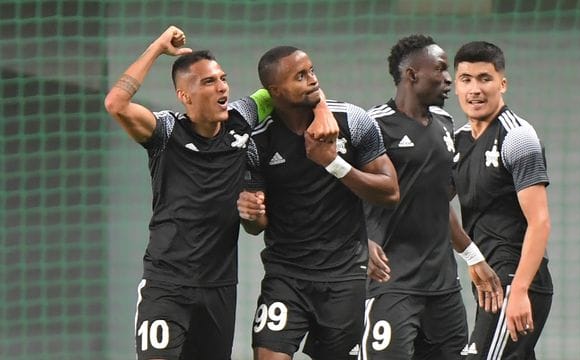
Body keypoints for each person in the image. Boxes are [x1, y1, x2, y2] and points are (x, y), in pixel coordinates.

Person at [104, 26, 336, 360]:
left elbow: (295, 83)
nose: (222, 86)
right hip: (167, 284)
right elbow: (115, 102)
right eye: (209, 82)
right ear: (185, 96)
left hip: (219, 287)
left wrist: (324, 110)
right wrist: (157, 48)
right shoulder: (166, 132)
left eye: (222, 78)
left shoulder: (241, 119)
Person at [237, 45, 400, 360]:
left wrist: (333, 163)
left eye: (311, 70)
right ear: (275, 91)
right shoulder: (258, 141)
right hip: (286, 276)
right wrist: (248, 213)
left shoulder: (352, 121)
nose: (312, 80)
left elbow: (390, 192)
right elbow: (256, 227)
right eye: (300, 76)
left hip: (345, 276)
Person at [360, 34, 503, 360]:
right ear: (411, 74)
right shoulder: (371, 125)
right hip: (392, 284)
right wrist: (359, 240)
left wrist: (473, 256)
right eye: (439, 69)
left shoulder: (444, 122)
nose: (449, 78)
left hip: (443, 288)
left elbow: (438, 202)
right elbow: (338, 195)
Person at [451, 41, 554, 359]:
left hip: (514, 281)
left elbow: (540, 221)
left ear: (502, 83)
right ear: (456, 86)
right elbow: (431, 204)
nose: (475, 89)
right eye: (466, 79)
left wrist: (520, 291)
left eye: (485, 78)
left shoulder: (517, 136)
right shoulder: (457, 140)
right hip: (488, 282)